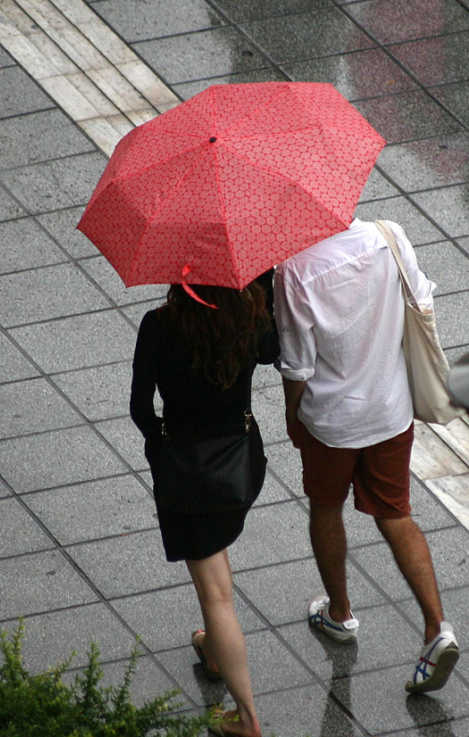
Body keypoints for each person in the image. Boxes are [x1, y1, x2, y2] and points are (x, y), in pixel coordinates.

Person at [274, 218, 459, 694]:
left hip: (333, 421)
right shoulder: (390, 234)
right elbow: (421, 300)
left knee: (326, 508)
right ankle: (437, 627)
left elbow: (298, 364)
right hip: (390, 409)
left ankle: (340, 614)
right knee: (396, 515)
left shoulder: (294, 270)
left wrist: (292, 416)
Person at [130, 272, 278, 737]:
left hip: (191, 474)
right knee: (214, 552)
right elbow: (275, 353)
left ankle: (247, 718)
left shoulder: (159, 325)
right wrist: (265, 284)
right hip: (240, 464)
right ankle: (214, 652)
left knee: (215, 594)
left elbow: (140, 408)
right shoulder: (250, 317)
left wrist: (162, 446)